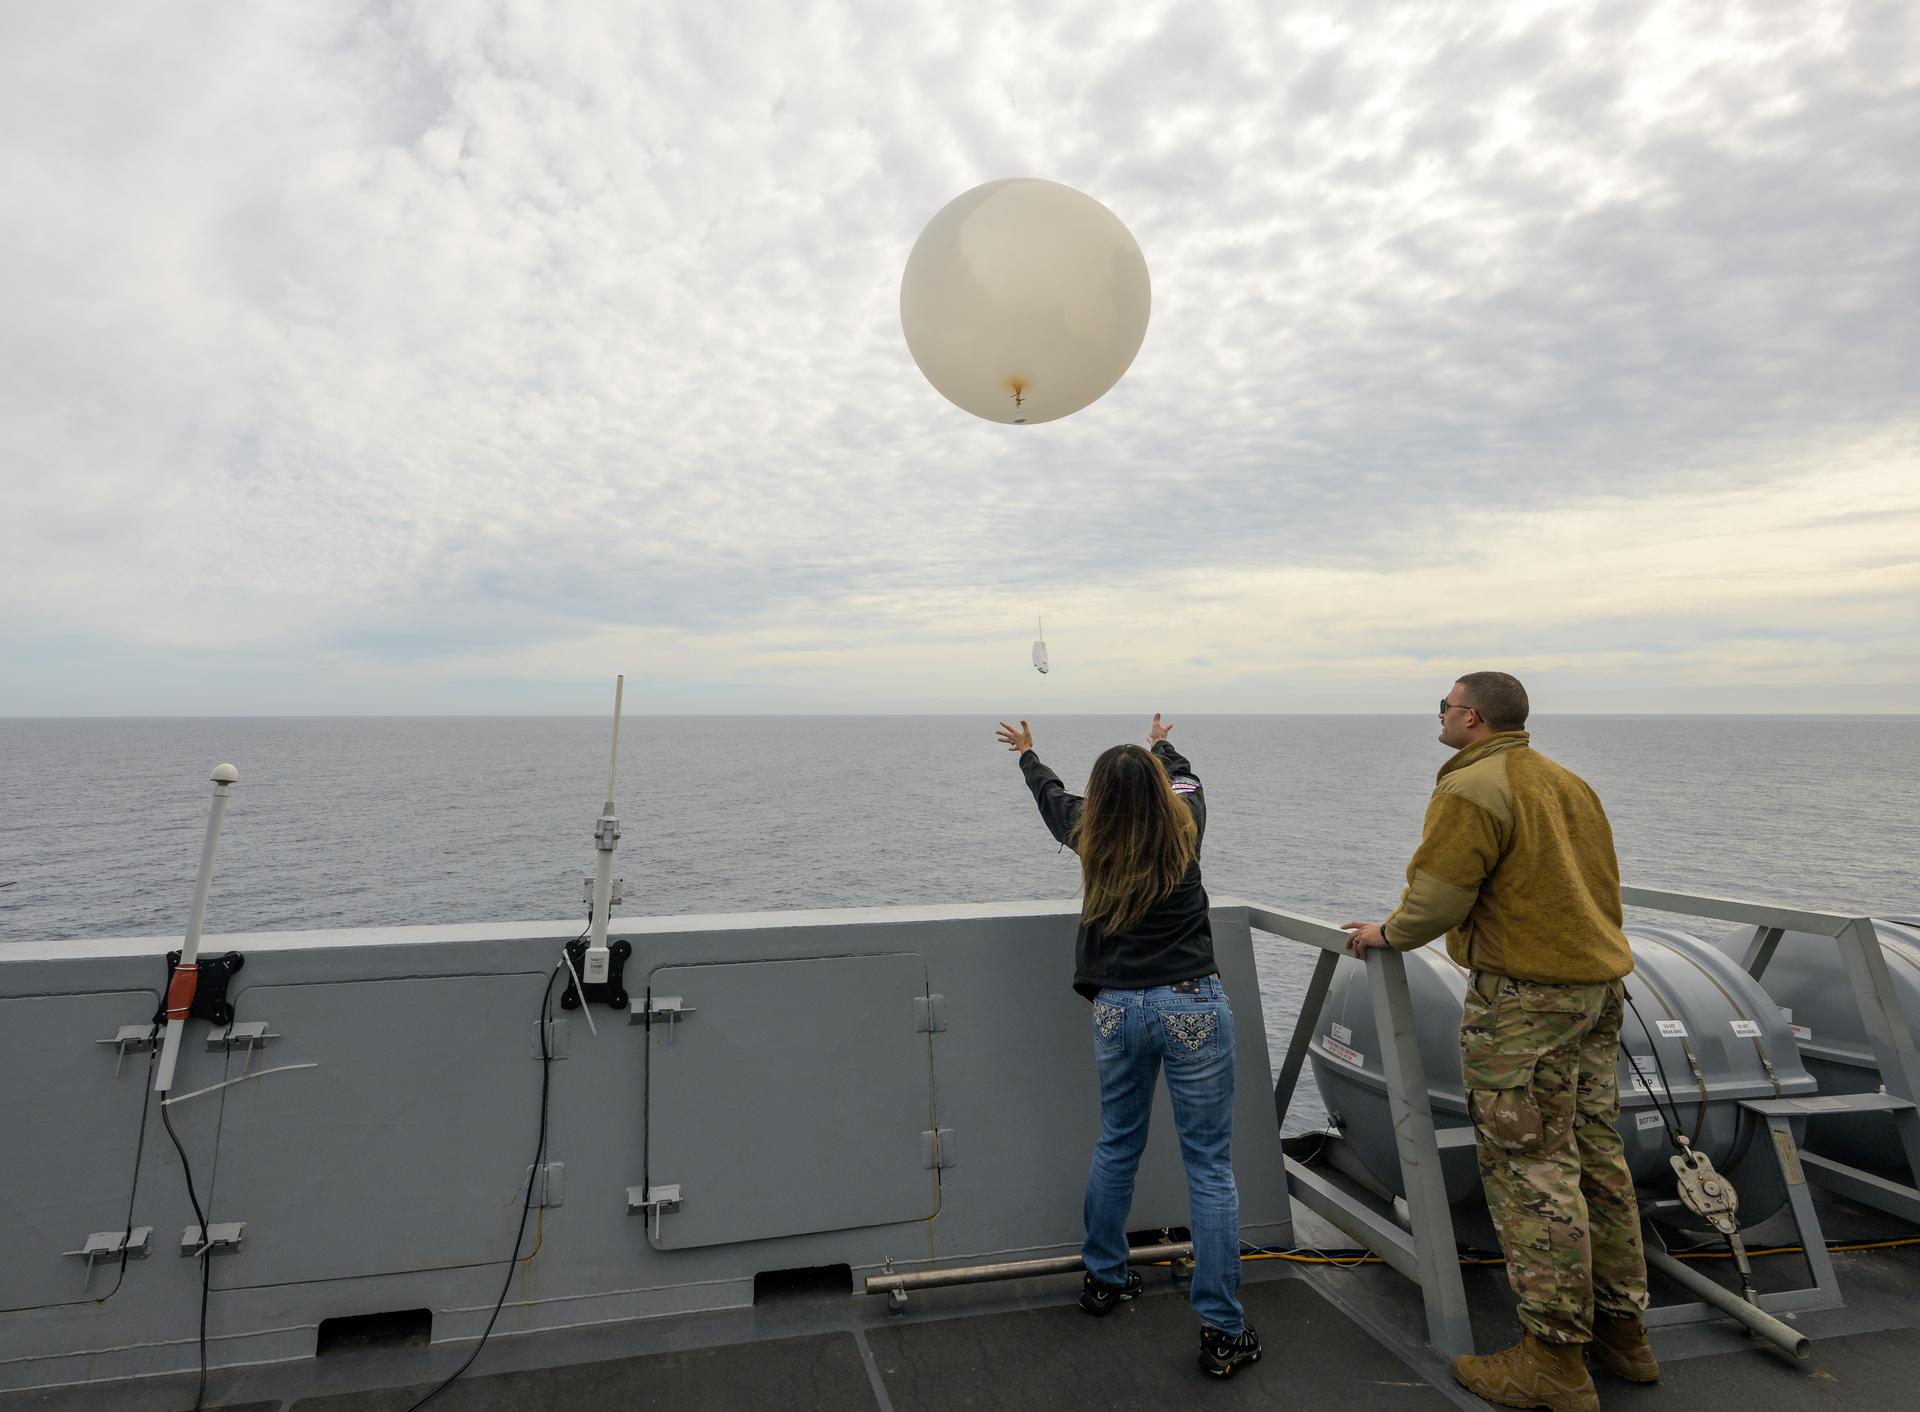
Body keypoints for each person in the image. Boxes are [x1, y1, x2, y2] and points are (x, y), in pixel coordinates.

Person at [1341, 673, 1654, 1412]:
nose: (1440, 719)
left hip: (1525, 1005)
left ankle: (1553, 1361)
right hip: (1595, 990)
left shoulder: (1471, 788)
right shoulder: (1566, 783)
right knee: (1596, 1158)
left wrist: (1389, 934)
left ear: (1471, 717)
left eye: (1445, 708)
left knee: (1531, 1170)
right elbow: (1603, 886)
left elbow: (1441, 893)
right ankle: (1623, 1334)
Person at [995, 713, 1259, 1380]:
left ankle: (1105, 1279)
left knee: (1117, 1143)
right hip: (1189, 1001)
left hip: (1117, 1007)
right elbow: (1189, 779)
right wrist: (1162, 747)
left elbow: (1051, 797)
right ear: (1161, 788)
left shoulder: (1089, 831)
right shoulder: (1186, 823)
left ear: (1101, 798)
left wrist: (1029, 754)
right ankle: (1223, 1331)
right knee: (1209, 1166)